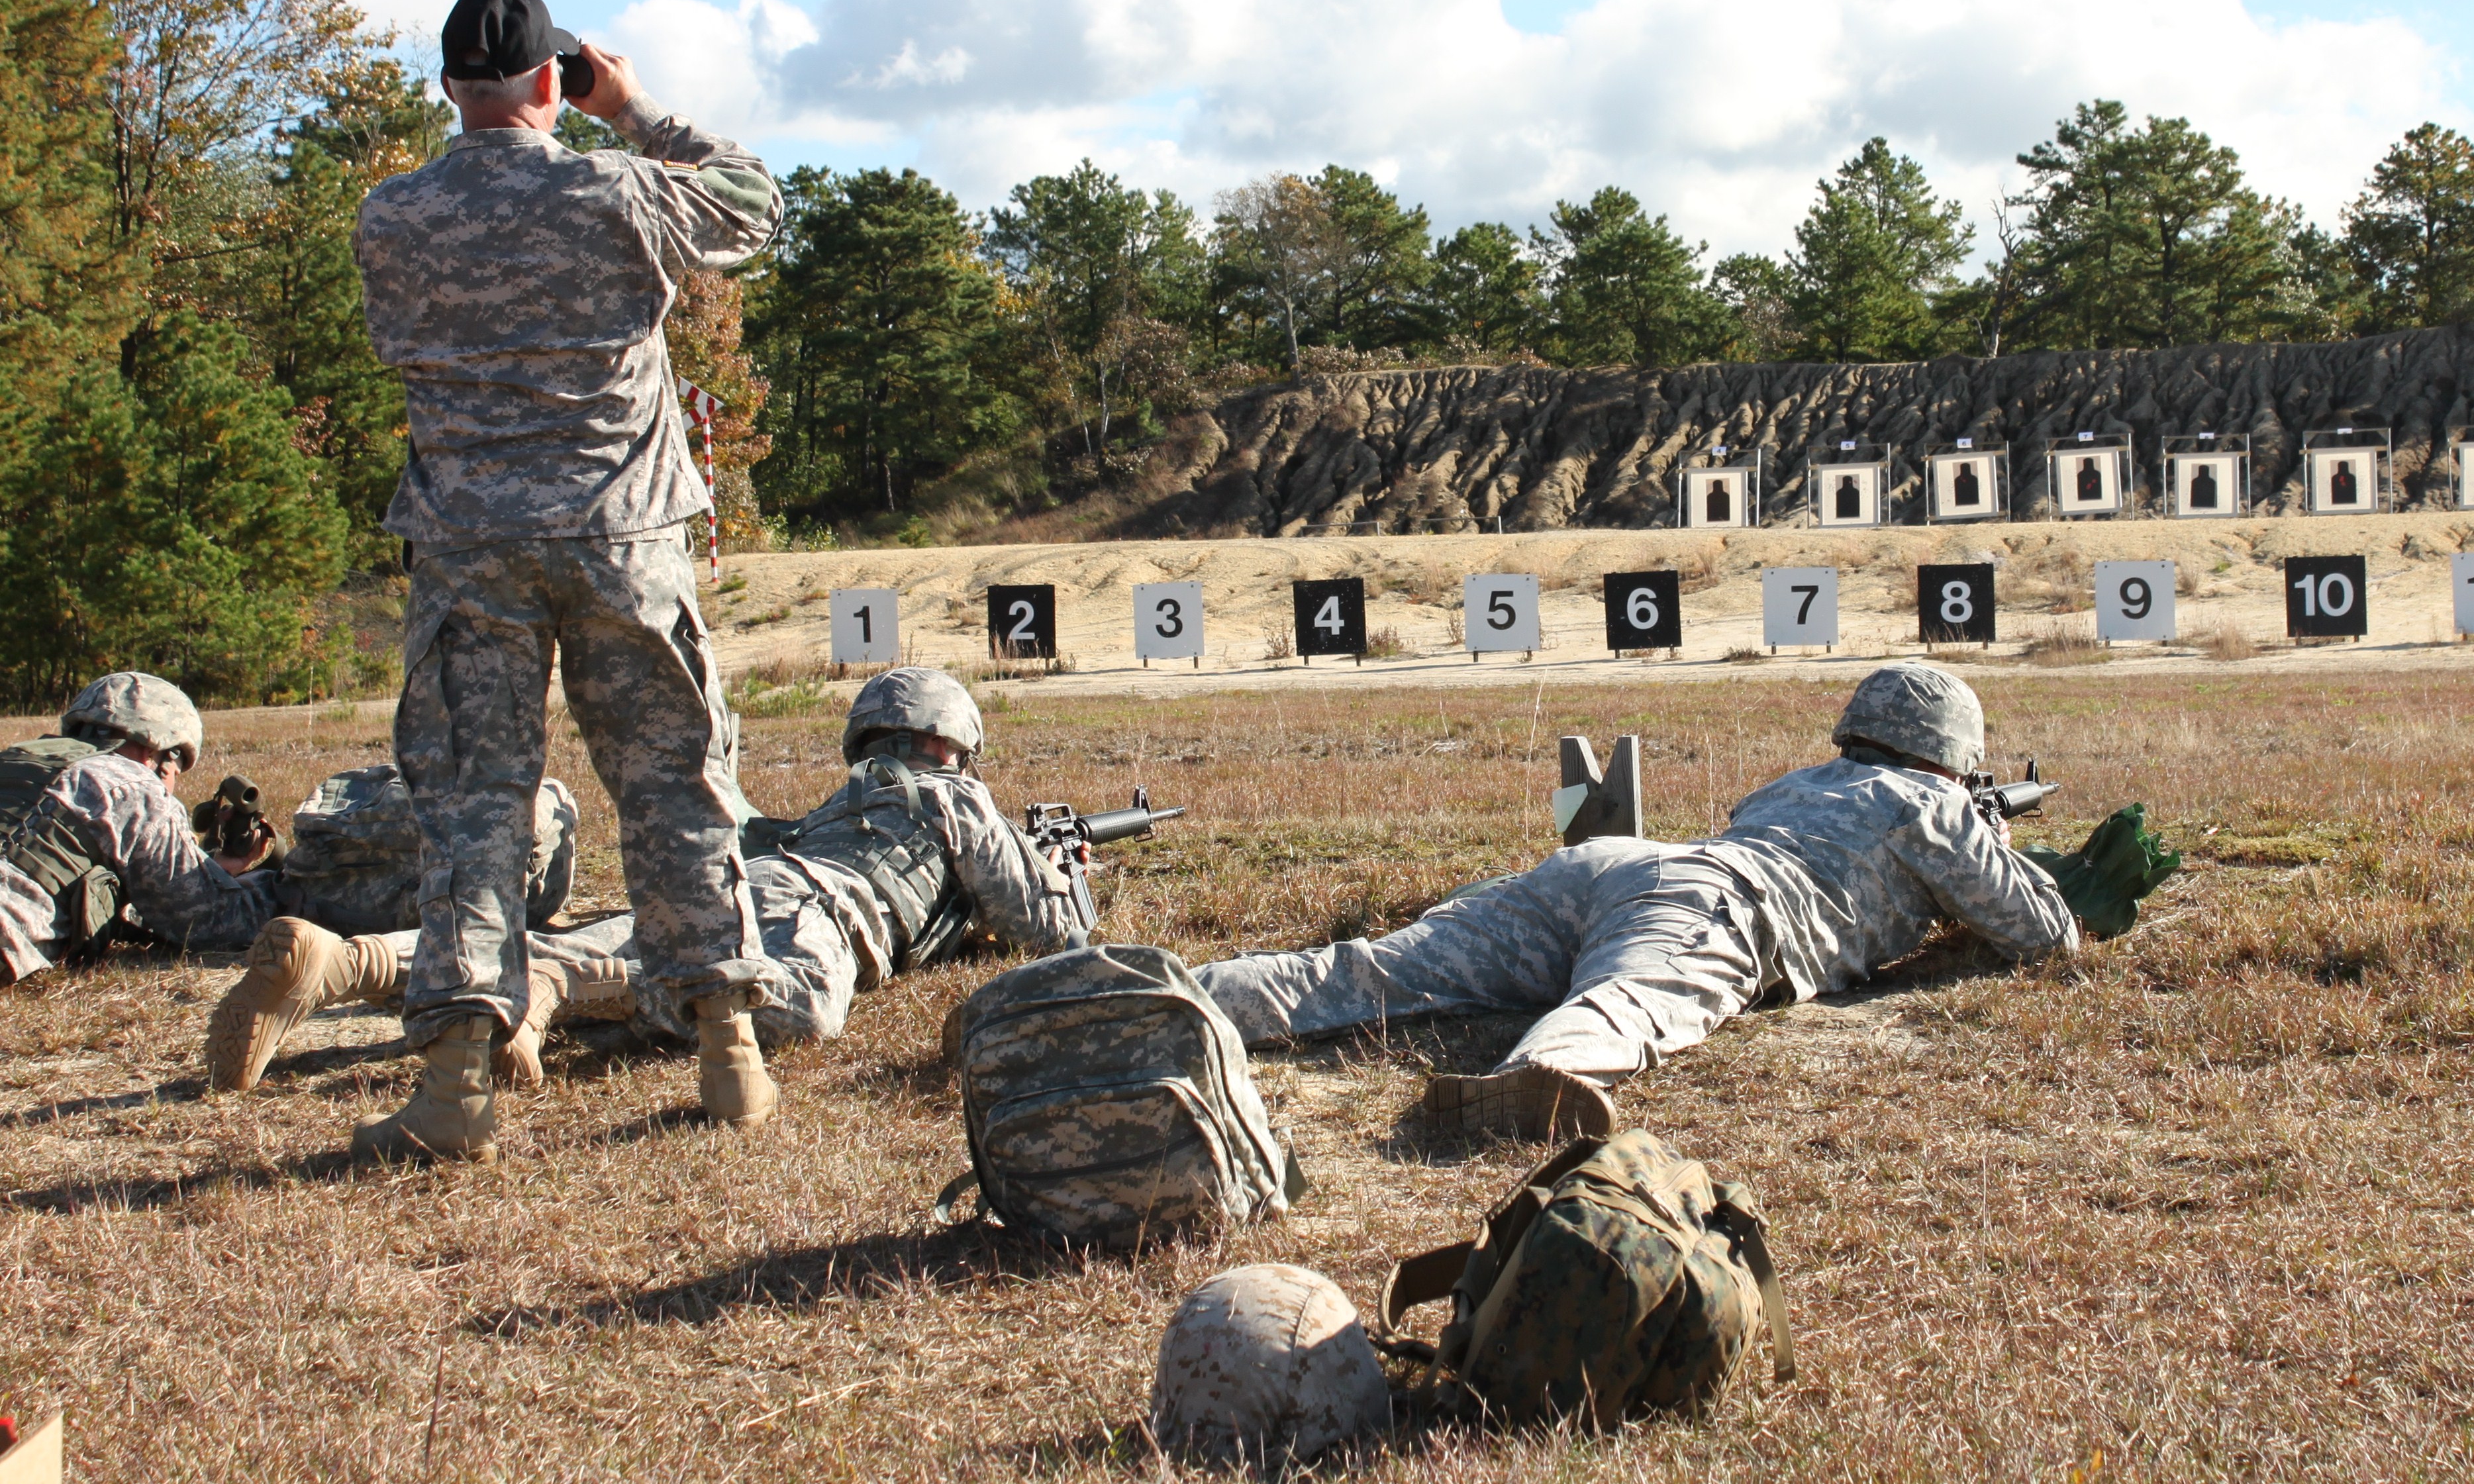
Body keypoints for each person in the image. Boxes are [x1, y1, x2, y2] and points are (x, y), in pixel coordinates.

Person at [346, 0, 783, 1163]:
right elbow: (753, 210)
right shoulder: (617, 185)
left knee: (475, 812)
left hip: (469, 548)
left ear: (449, 88)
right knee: (674, 786)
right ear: (553, 83)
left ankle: (454, 1085)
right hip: (623, 539)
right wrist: (634, 108)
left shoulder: (392, 216)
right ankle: (726, 1053)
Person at [1193, 663, 2081, 1140]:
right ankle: (1522, 1089)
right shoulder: (1931, 804)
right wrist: (1988, 840)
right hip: (1720, 904)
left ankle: (1191, 994)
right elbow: (2044, 936)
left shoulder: (1797, 783)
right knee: (1622, 1002)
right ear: (1951, 755)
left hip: (1614, 864)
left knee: (1383, 966)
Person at [205, 667, 1090, 1092]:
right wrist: (1067, 871)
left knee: (556, 936)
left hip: (743, 878)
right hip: (823, 910)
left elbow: (754, 833)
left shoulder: (837, 805)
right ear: (951, 743)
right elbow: (1052, 928)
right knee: (797, 1002)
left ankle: (344, 964)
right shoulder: (956, 800)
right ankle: (554, 988)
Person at [0, 673, 277, 985]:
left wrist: (213, 869)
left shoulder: (14, 759)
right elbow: (208, 922)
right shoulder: (133, 785)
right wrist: (282, 881)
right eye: (177, 768)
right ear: (157, 753)